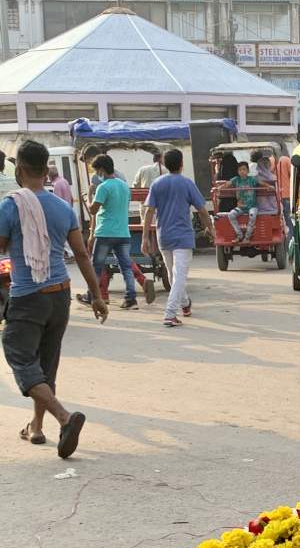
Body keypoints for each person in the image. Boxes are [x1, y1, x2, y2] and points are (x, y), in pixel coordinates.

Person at [0, 139, 108, 456]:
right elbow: (82, 255)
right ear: (45, 169)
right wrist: (97, 296)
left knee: (19, 354)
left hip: (28, 294)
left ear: (19, 169)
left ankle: (64, 417)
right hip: (60, 295)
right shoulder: (62, 208)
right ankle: (36, 427)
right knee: (46, 365)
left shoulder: (10, 206)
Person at [142, 148, 214, 328]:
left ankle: (185, 303)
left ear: (165, 164)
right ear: (181, 164)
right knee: (179, 276)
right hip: (183, 236)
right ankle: (170, 314)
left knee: (173, 274)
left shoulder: (157, 183)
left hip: (163, 236)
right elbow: (202, 210)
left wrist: (145, 238)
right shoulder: (187, 183)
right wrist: (211, 229)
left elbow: (149, 212)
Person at [81, 154, 138, 311]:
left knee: (96, 266)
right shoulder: (124, 186)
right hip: (123, 232)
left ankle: (91, 296)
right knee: (126, 266)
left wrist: (88, 196)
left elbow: (93, 210)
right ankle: (131, 298)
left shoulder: (103, 187)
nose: (96, 174)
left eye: (96, 170)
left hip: (105, 232)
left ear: (101, 170)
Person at [221, 162, 260, 244]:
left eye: (244, 169)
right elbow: (227, 184)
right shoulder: (236, 179)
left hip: (252, 206)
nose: (242, 171)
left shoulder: (252, 179)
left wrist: (269, 186)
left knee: (252, 215)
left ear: (248, 171)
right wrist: (218, 188)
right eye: (240, 170)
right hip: (241, 207)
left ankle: (247, 237)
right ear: (237, 171)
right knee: (231, 214)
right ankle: (239, 235)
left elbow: (261, 183)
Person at [276, 152, 294, 240]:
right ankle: (291, 239)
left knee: (280, 220)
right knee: (289, 219)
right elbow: (293, 174)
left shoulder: (271, 161)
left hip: (276, 196)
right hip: (287, 194)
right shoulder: (286, 159)